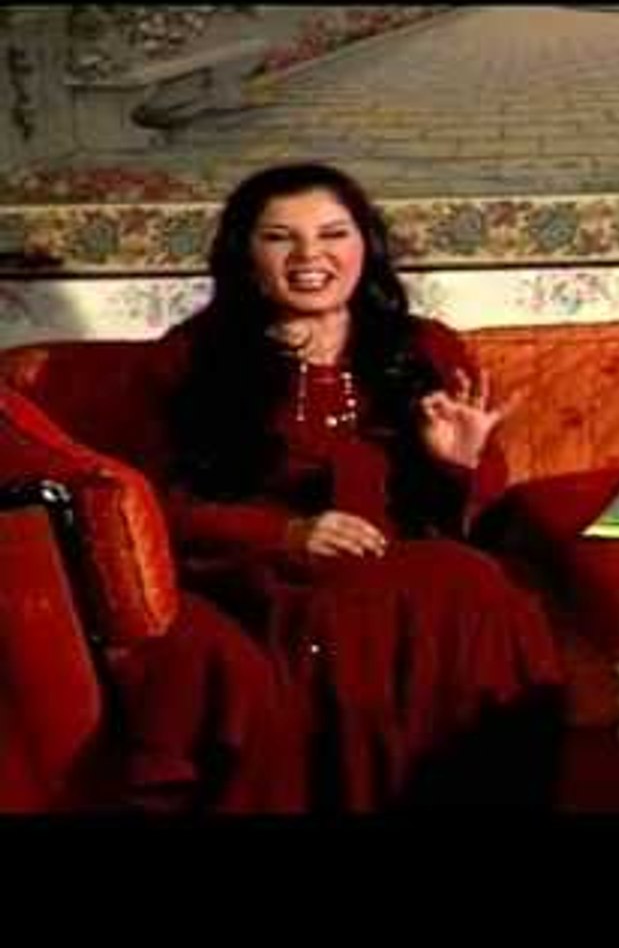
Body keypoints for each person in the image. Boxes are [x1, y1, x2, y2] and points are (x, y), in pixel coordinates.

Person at [149, 162, 565, 810]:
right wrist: (287, 534)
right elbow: (151, 509)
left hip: (411, 565)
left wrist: (457, 461)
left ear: (364, 245)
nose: (309, 256)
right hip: (272, 577)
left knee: (480, 586)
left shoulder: (425, 347)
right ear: (245, 254)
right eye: (280, 237)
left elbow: (473, 515)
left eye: (332, 234)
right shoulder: (190, 358)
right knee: (362, 611)